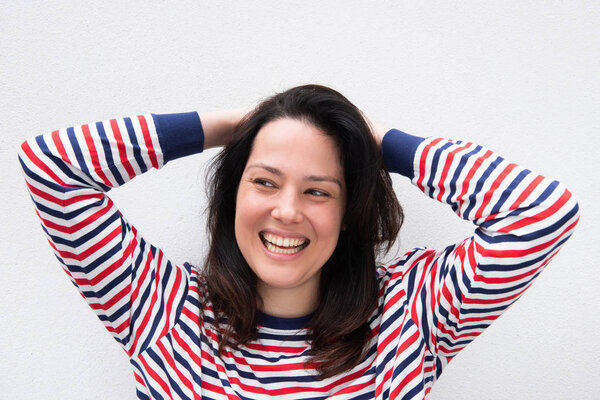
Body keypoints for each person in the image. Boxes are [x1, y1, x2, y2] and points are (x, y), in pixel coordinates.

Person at [18, 85, 579, 399]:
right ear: (231, 194)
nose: (286, 211)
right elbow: (51, 167)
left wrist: (374, 142)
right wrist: (234, 125)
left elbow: (543, 213)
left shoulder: (412, 314)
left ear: (349, 210)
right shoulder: (160, 308)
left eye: (318, 190)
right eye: (264, 181)